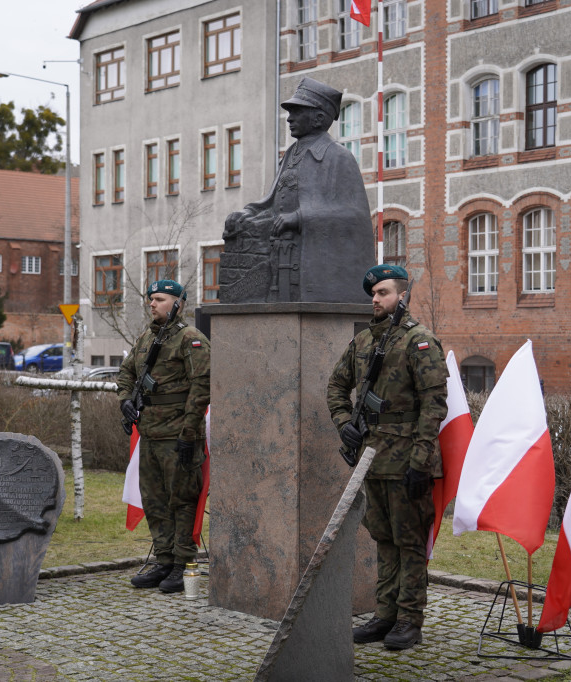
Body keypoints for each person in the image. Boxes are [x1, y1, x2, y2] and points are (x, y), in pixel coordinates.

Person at [326, 264, 449, 650]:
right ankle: (385, 614)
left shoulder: (420, 341)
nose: (376, 300)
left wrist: (421, 460)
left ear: (402, 296)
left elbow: (434, 405)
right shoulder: (363, 342)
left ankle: (409, 621)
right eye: (373, 294)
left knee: (409, 540)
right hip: (372, 457)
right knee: (383, 537)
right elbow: (336, 385)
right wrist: (345, 422)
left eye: (383, 293)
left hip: (408, 458)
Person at [222, 77, 373, 304]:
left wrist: (300, 218)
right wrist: (248, 213)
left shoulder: (338, 157)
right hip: (281, 260)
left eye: (297, 112)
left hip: (313, 268)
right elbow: (272, 202)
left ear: (318, 118)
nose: (289, 118)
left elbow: (355, 216)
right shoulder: (291, 154)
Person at [117, 279, 210, 593]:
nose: (152, 304)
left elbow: (202, 389)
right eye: (150, 299)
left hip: (179, 434)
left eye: (159, 299)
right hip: (152, 434)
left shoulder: (191, 339)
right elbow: (127, 371)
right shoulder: (145, 338)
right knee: (154, 499)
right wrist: (126, 400)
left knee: (181, 499)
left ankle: (183, 563)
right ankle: (164, 560)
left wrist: (190, 433)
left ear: (177, 304)